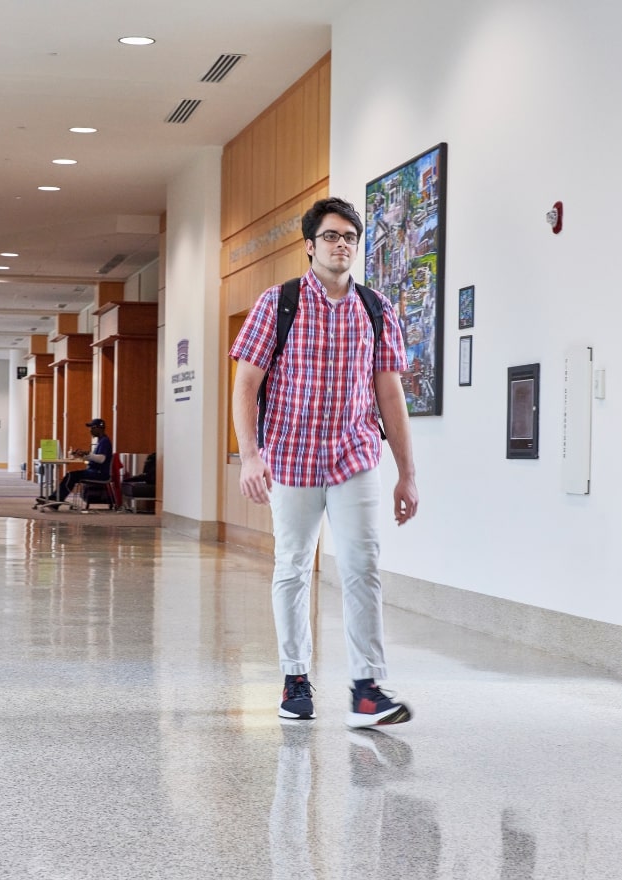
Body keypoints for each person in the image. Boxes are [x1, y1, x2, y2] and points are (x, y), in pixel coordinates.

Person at [230, 196, 419, 728]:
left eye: (350, 238)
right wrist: (250, 457)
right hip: (289, 457)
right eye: (332, 237)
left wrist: (407, 473)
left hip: (354, 457)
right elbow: (247, 382)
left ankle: (365, 690)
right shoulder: (278, 303)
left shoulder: (376, 308)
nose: (342, 246)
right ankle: (295, 679)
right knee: (292, 566)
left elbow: (390, 395)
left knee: (363, 567)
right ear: (310, 246)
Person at [38, 418, 112, 509]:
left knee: (71, 476)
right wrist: (83, 456)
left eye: (92, 428)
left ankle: (56, 499)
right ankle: (55, 498)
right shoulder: (101, 441)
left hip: (99, 473)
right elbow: (94, 458)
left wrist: (88, 454)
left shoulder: (105, 441)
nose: (90, 430)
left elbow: (101, 459)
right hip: (94, 471)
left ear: (100, 428)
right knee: (71, 475)